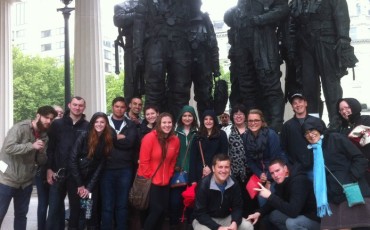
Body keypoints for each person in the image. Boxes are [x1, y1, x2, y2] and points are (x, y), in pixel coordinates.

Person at [289, 0, 358, 127]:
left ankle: (336, 121)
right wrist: (292, 48)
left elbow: (341, 17)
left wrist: (343, 40)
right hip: (304, 46)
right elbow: (292, 25)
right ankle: (312, 122)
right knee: (309, 86)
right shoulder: (295, 2)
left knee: (331, 85)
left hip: (327, 42)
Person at [224, 0, 289, 133]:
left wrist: (260, 19)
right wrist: (232, 13)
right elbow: (228, 18)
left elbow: (283, 9)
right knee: (247, 87)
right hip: (242, 45)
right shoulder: (240, 5)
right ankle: (253, 124)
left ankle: (276, 126)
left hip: (263, 42)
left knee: (270, 85)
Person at [302, 119, 370, 229]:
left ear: (319, 128)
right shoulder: (312, 150)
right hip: (330, 197)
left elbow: (359, 158)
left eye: (312, 130)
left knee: (345, 227)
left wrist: (351, 178)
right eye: (306, 133)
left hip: (348, 191)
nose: (310, 135)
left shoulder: (335, 138)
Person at [0, 106, 57, 230]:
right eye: (46, 117)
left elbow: (41, 161)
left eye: (51, 119)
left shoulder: (44, 136)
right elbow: (8, 148)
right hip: (7, 180)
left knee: (21, 216)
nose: (48, 121)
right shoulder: (19, 128)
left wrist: (41, 152)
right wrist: (31, 146)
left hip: (26, 182)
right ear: (37, 116)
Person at [133, 0, 192, 119]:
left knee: (181, 90)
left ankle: (180, 128)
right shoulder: (145, 2)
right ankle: (152, 127)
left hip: (180, 44)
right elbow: (139, 24)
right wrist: (138, 50)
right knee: (154, 89)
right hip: (156, 43)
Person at [46, 96, 89, 230]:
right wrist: (48, 169)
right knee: (54, 210)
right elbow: (50, 149)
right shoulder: (57, 124)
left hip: (77, 176)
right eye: (75, 105)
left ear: (84, 107)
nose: (77, 108)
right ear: (69, 105)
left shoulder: (88, 126)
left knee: (76, 211)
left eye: (80, 105)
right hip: (57, 173)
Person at [69, 112, 114, 229]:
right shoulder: (84, 136)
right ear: (93, 123)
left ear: (106, 124)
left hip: (90, 184)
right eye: (96, 122)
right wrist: (80, 185)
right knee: (76, 213)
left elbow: (100, 167)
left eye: (102, 122)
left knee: (89, 212)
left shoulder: (106, 140)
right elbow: (73, 160)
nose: (99, 124)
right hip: (76, 181)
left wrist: (88, 187)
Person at [247, 158, 320, 230]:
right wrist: (259, 213)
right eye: (272, 173)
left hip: (312, 218)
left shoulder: (298, 181)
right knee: (274, 216)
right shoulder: (282, 180)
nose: (275, 175)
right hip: (300, 213)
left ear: (285, 168)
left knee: (291, 223)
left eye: (277, 170)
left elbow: (293, 211)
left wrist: (270, 196)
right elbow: (273, 202)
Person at [137, 113, 180, 230]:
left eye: (169, 122)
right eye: (164, 122)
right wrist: (151, 178)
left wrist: (170, 174)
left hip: (165, 182)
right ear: (159, 124)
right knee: (156, 210)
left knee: (162, 213)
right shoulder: (149, 138)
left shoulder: (175, 140)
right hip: (150, 182)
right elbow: (144, 162)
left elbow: (173, 161)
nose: (167, 125)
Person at [101, 97, 138, 230]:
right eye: (117, 106)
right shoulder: (104, 123)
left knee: (122, 204)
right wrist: (117, 138)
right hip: (106, 169)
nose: (119, 109)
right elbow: (101, 141)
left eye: (122, 107)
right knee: (107, 205)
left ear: (125, 108)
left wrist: (111, 139)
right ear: (112, 107)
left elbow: (130, 143)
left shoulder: (131, 125)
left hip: (125, 169)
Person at [192, 154, 254, 230]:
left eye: (226, 167)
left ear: (230, 169)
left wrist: (235, 222)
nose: (223, 170)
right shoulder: (203, 184)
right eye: (220, 167)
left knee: (248, 226)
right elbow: (200, 213)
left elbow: (237, 207)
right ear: (213, 168)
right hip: (206, 220)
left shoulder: (233, 183)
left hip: (225, 218)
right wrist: (218, 227)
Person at [222, 104, 259, 217]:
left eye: (241, 114)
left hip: (252, 172)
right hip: (234, 172)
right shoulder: (226, 130)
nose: (238, 116)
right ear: (232, 116)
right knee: (237, 199)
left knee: (252, 199)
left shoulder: (253, 129)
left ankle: (252, 223)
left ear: (245, 116)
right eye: (236, 114)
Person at [188, 0, 220, 117]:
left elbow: (213, 45)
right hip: (184, 64)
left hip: (204, 65)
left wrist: (216, 68)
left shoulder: (205, 20)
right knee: (179, 95)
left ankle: (206, 128)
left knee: (205, 97)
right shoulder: (180, 19)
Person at [280, 93, 326, 175]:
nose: (298, 105)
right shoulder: (287, 126)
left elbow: (326, 142)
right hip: (297, 170)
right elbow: (282, 149)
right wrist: (289, 166)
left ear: (306, 103)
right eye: (295, 103)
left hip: (317, 166)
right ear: (292, 107)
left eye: (300, 101)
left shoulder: (317, 121)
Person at [34, 105, 63, 230]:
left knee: (57, 204)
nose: (59, 115)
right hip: (42, 170)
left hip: (57, 171)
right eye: (57, 113)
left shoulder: (61, 130)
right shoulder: (42, 131)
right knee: (43, 203)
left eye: (61, 113)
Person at [169, 105, 198, 228]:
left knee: (191, 201)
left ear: (194, 117)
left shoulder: (197, 133)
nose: (187, 118)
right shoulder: (174, 133)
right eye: (185, 115)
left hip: (193, 173)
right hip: (178, 173)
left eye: (190, 115)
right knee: (175, 202)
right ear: (181, 117)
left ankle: (190, 224)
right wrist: (175, 166)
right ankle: (174, 224)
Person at [245, 109, 285, 189]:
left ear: (262, 122)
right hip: (259, 174)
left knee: (265, 198)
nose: (253, 123)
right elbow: (249, 160)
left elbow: (276, 158)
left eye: (256, 120)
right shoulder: (245, 137)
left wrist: (268, 178)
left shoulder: (271, 135)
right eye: (250, 121)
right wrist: (259, 173)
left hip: (274, 173)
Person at [114, 0, 143, 102]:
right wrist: (138, 14)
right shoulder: (121, 6)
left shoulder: (152, 5)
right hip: (131, 47)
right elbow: (118, 20)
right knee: (131, 82)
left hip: (151, 46)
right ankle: (130, 108)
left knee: (153, 83)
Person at [189, 110, 228, 184]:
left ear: (214, 120)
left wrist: (210, 167)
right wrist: (193, 179)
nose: (208, 121)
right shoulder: (197, 136)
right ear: (202, 121)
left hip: (217, 172)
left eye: (211, 119)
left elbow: (223, 155)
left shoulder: (222, 135)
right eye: (206, 119)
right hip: (200, 174)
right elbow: (193, 158)